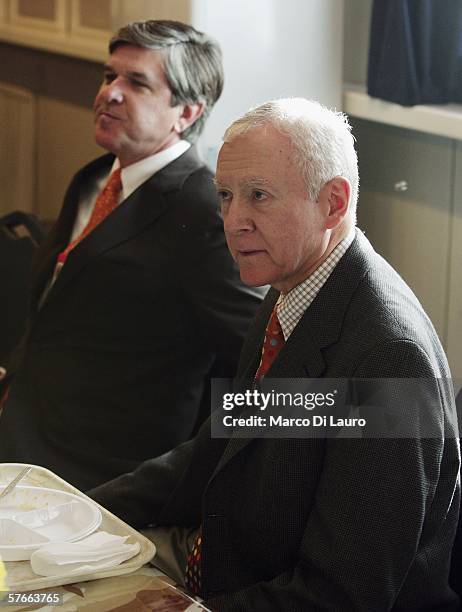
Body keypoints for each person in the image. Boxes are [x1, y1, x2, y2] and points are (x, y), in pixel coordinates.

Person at [90, 98, 460, 611]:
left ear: (332, 202)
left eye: (258, 196)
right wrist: (85, 511)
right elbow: (220, 446)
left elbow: (343, 595)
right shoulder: (293, 284)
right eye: (225, 195)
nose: (234, 221)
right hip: (224, 560)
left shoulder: (386, 354)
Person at [0, 20, 263, 491]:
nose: (110, 93)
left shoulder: (203, 211)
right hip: (22, 434)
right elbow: (55, 316)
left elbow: (262, 356)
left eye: (137, 83)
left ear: (186, 112)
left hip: (96, 479)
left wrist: (196, 474)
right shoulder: (96, 177)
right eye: (109, 76)